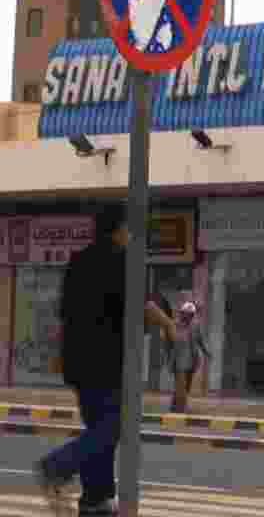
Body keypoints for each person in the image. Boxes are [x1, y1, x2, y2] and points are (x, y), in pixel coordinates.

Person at [35, 203, 179, 516]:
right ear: (120, 229)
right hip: (107, 363)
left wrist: (60, 356)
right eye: (128, 228)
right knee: (113, 428)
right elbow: (141, 304)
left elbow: (65, 315)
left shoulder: (78, 260)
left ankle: (94, 500)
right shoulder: (122, 261)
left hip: (78, 362)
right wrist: (168, 324)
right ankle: (56, 466)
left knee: (98, 430)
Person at [168, 300, 211, 413]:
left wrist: (206, 352)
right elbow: (168, 342)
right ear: (182, 313)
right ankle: (182, 407)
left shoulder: (196, 325)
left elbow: (200, 341)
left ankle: (175, 406)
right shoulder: (175, 325)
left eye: (190, 314)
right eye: (185, 313)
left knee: (186, 385)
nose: (187, 316)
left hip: (192, 360)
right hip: (178, 360)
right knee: (180, 385)